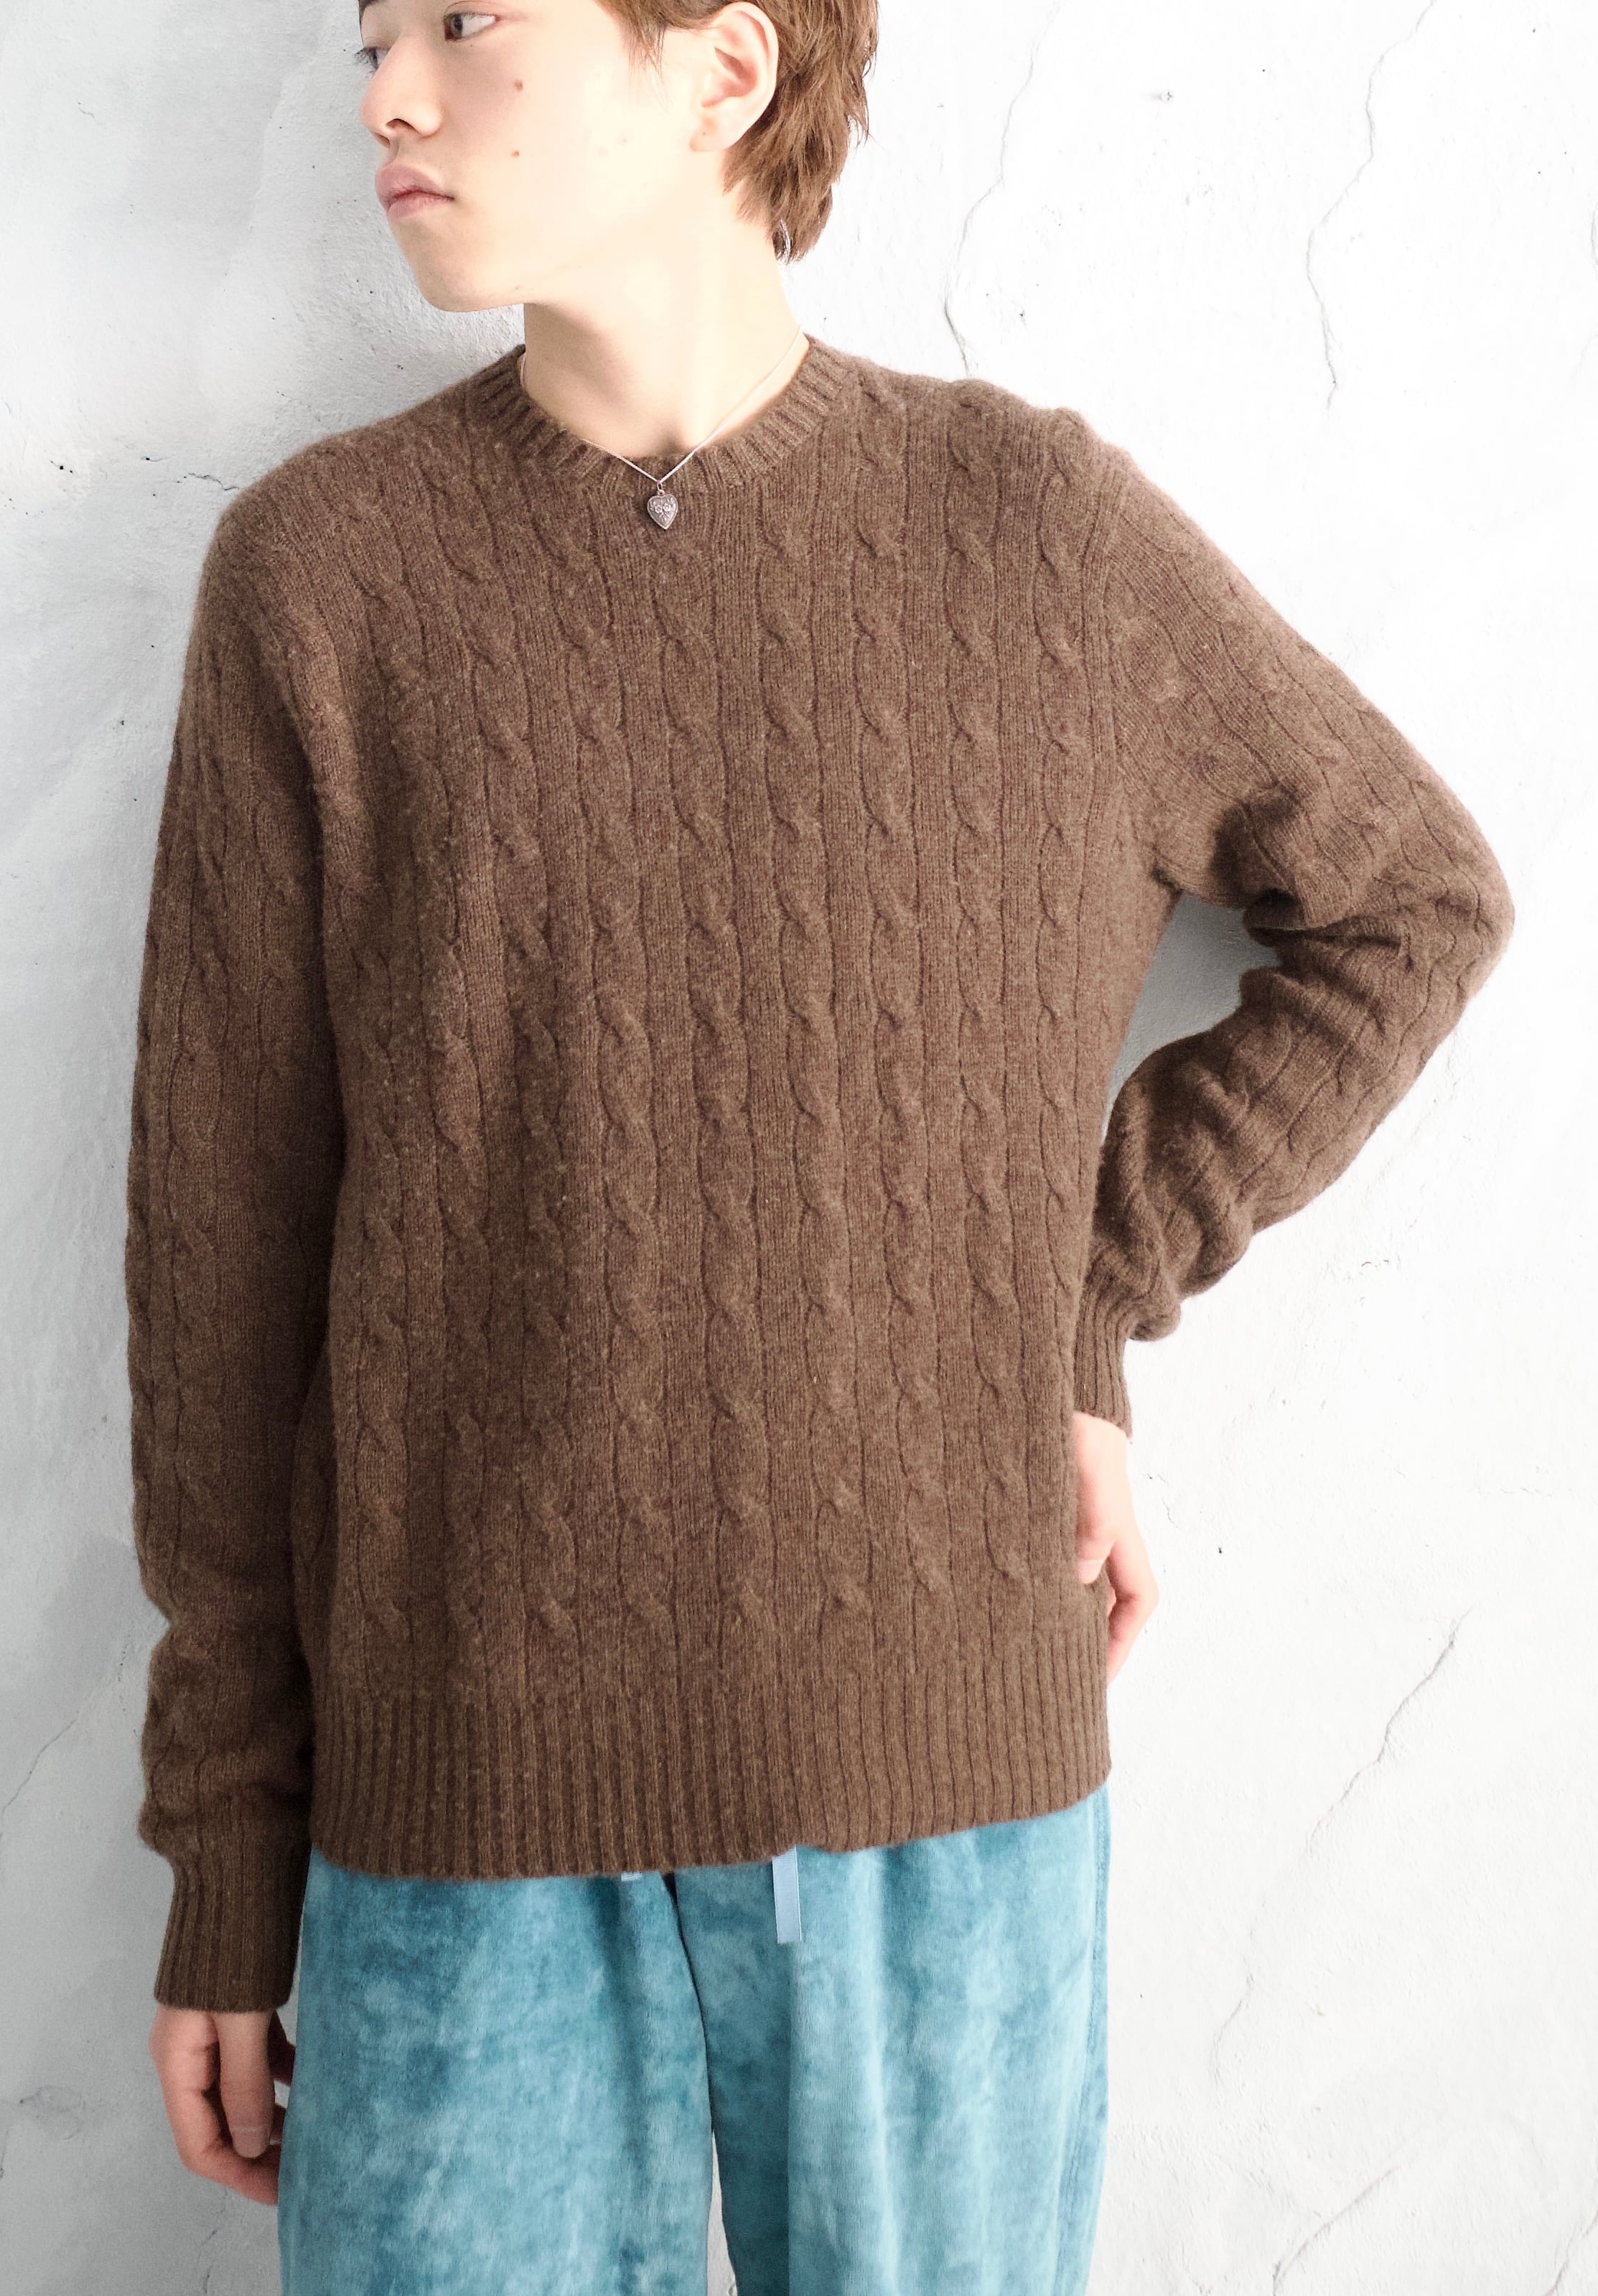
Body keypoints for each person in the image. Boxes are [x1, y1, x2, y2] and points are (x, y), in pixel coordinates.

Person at [121, 0, 1515, 2287]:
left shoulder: (1035, 534)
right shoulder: (324, 581)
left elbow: (1413, 904)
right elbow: (222, 1271)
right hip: (458, 1822)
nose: (388, 94)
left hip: (939, 1798)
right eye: (374, 38)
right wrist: (225, 1847)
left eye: (468, 22)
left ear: (725, 67)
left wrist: (1074, 1292)